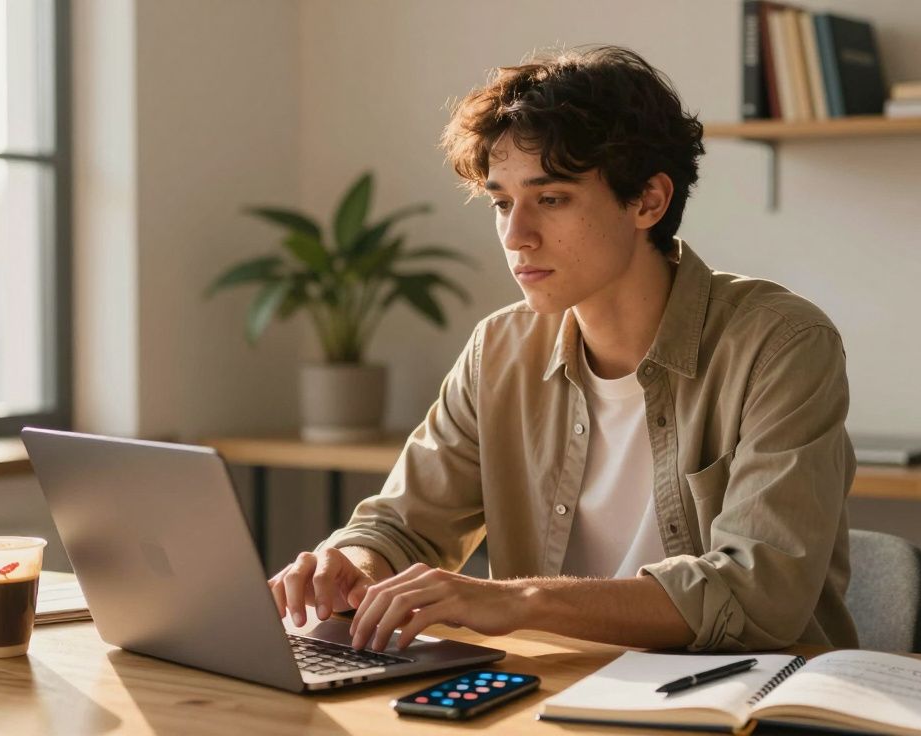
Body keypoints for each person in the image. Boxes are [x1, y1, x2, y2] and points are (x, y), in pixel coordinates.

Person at [268, 44, 859, 654]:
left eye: (550, 199)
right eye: (502, 203)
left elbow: (758, 594)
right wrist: (353, 563)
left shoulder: (781, 345)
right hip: (556, 690)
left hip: (744, 693)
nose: (515, 235)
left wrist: (519, 600)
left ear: (648, 201)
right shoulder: (499, 349)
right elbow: (401, 525)